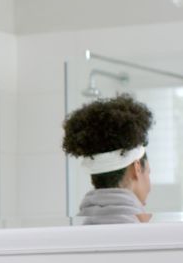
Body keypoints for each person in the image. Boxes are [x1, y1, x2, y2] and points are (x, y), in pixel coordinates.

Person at [63, 94, 154, 224]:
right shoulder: (143, 234)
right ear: (137, 168)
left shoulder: (75, 226)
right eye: (149, 172)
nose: (150, 186)